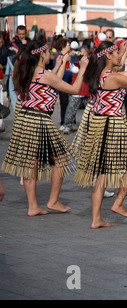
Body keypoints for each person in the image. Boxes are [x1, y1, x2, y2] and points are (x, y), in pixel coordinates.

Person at [73, 39, 127, 229]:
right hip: (112, 125)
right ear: (108, 56)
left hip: (101, 124)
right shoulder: (113, 77)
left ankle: (100, 216)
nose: (120, 55)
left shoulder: (102, 75)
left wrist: (126, 52)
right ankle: (116, 204)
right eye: (117, 53)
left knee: (105, 173)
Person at [1, 40, 88, 216]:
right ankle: (53, 201)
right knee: (61, 159)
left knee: (29, 163)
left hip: (25, 119)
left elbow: (52, 80)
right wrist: (84, 68)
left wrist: (61, 63)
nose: (51, 53)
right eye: (49, 51)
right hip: (39, 121)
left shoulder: (28, 71)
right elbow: (74, 89)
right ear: (42, 54)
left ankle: (33, 206)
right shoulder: (43, 74)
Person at [61, 46, 90, 134]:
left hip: (87, 92)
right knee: (71, 110)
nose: (80, 54)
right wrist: (69, 55)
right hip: (76, 92)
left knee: (90, 112)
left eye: (83, 52)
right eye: (79, 52)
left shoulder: (91, 64)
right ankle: (67, 125)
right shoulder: (75, 63)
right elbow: (67, 66)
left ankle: (90, 127)